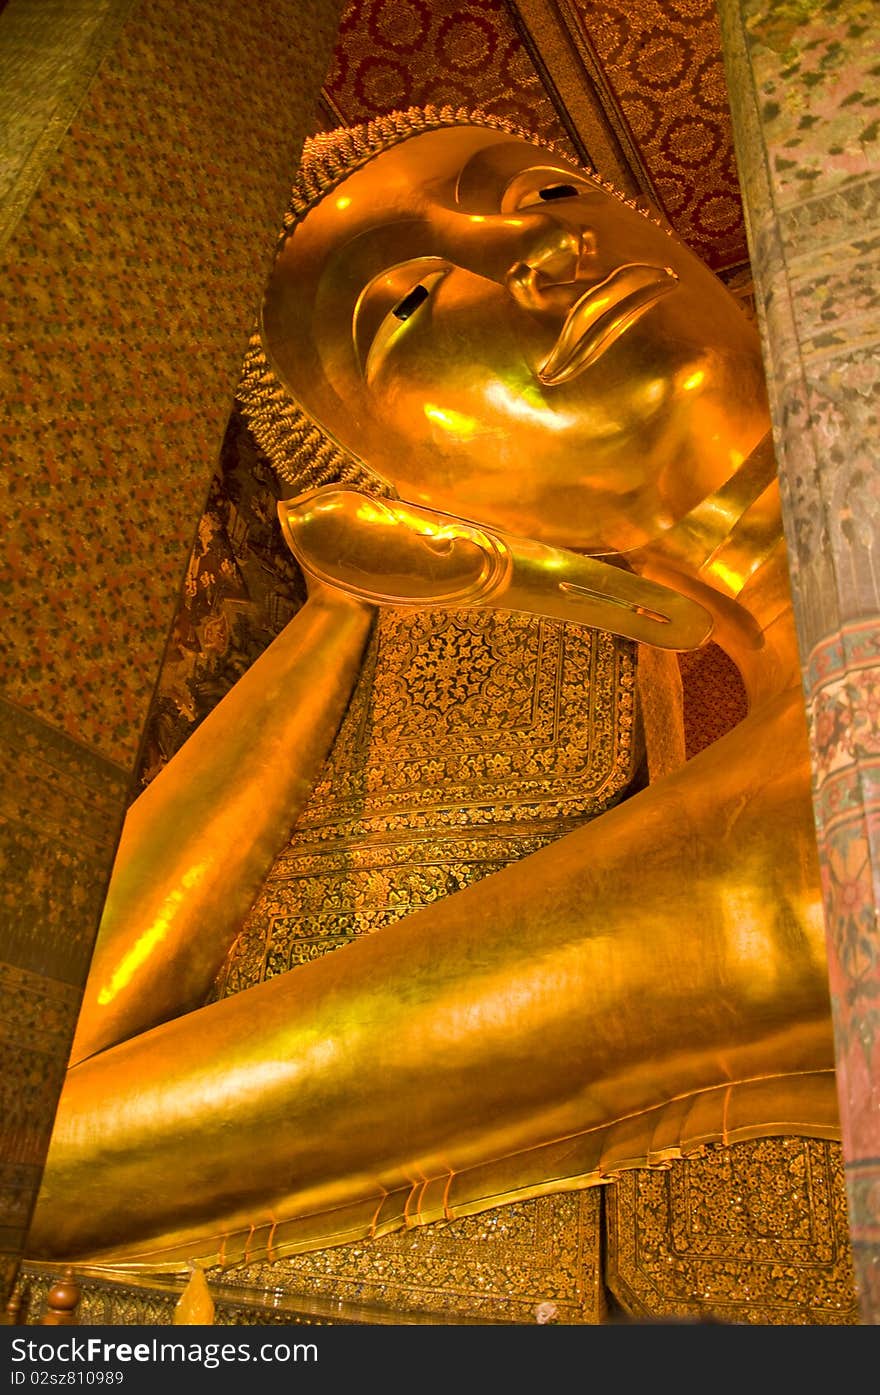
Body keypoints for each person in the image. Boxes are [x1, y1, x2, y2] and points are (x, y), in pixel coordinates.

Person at [26, 107, 839, 1274]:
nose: (550, 250)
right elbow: (41, 1153)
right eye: (408, 307)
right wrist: (339, 615)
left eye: (548, 196)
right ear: (423, 507)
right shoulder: (774, 855)